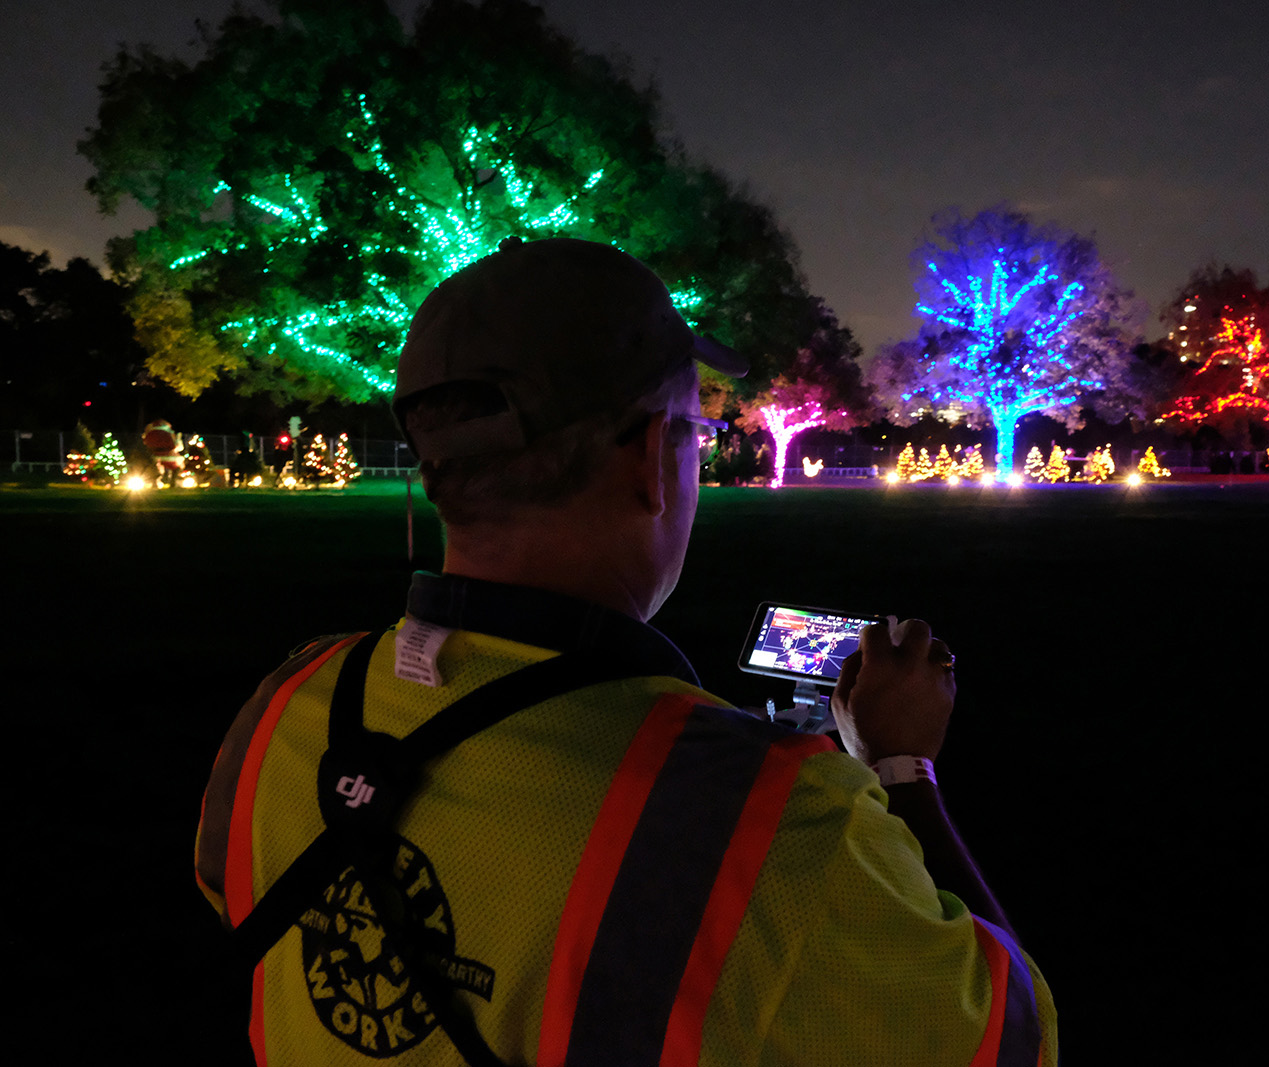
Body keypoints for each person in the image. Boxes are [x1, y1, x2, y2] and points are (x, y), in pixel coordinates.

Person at [195, 237, 1056, 1065]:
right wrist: (902, 767)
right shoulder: (778, 818)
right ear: (652, 458)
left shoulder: (284, 706)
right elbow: (1008, 1039)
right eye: (694, 432)